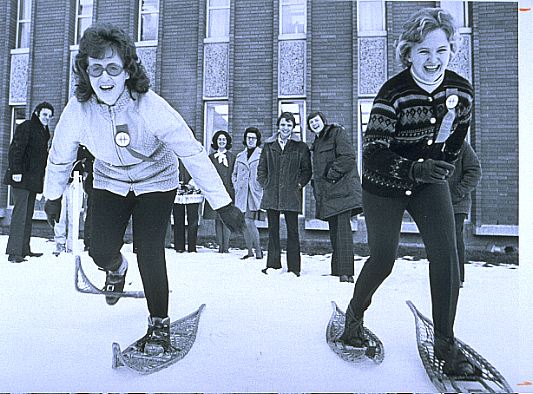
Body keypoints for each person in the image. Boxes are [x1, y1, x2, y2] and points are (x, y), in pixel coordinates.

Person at [42, 23, 243, 355]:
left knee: (148, 248)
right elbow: (60, 156)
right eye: (95, 69)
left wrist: (222, 204)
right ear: (85, 72)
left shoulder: (147, 105)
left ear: (126, 71)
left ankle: (159, 323)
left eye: (112, 68)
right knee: (99, 247)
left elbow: (190, 151)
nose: (104, 78)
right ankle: (115, 268)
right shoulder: (78, 110)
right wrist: (52, 197)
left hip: (155, 179)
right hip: (110, 179)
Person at [338, 8, 477, 376]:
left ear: (452, 49)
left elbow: (456, 140)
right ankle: (354, 317)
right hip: (384, 187)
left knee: (447, 256)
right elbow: (373, 154)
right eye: (424, 52)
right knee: (385, 258)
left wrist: (440, 165)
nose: (433, 60)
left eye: (441, 51)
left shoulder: (461, 91)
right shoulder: (392, 94)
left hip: (428, 183)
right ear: (409, 53)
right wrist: (414, 167)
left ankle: (446, 345)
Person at [307, 111, 363, 283]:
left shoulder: (336, 132)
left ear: (323, 121)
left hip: (342, 191)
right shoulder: (317, 143)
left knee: (343, 233)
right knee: (335, 233)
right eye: (311, 123)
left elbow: (348, 157)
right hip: (330, 194)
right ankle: (337, 270)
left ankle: (346, 274)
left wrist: (331, 175)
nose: (314, 124)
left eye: (316, 120)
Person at [257, 112, 312, 277]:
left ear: (293, 128)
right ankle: (273, 265)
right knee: (273, 230)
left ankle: (294, 267)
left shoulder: (300, 146)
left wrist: (299, 185)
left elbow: (307, 170)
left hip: (291, 194)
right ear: (278, 126)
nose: (285, 128)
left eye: (289, 125)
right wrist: (265, 183)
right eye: (283, 125)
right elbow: (262, 168)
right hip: (272, 193)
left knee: (292, 231)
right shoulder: (268, 145)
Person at [4, 101, 54, 263]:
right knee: (20, 215)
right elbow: (16, 149)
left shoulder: (43, 131)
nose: (47, 118)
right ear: (37, 113)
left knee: (27, 215)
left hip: (32, 181)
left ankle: (24, 249)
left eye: (50, 116)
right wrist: (16, 171)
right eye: (45, 114)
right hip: (21, 178)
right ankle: (14, 252)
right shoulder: (27, 126)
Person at [447, 141, 481, 287]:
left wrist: (457, 192)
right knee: (440, 240)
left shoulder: (463, 146)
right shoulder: (434, 143)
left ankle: (458, 277)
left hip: (457, 203)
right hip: (436, 202)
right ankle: (444, 274)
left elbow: (474, 171)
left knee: (454, 236)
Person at [232, 127, 264, 260]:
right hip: (241, 194)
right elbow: (234, 174)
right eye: (248, 138)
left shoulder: (262, 155)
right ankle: (250, 251)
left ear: (257, 140)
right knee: (243, 223)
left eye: (253, 138)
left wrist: (259, 185)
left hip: (254, 193)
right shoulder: (240, 156)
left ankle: (258, 251)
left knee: (249, 221)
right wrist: (237, 185)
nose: (250, 140)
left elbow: (265, 173)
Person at [203, 130, 236, 253]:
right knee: (217, 218)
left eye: (224, 140)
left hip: (228, 191)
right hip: (215, 191)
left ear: (227, 142)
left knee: (227, 218)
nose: (221, 142)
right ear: (216, 142)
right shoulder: (211, 158)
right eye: (219, 140)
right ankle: (220, 247)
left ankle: (226, 247)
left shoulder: (232, 157)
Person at [173, 159, 203, 253]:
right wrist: (175, 182)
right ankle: (179, 246)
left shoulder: (194, 154)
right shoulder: (173, 154)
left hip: (193, 190)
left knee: (193, 219)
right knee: (178, 219)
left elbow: (200, 170)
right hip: (177, 189)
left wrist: (192, 184)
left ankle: (192, 247)